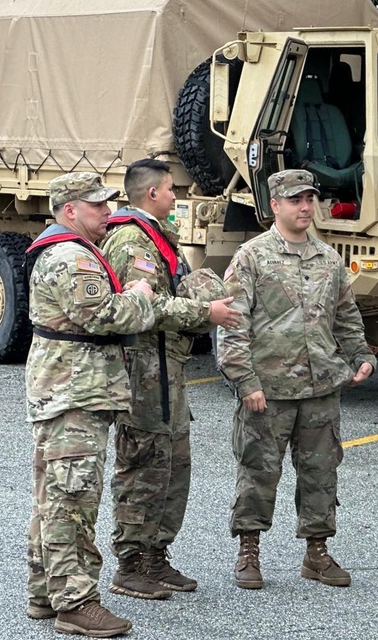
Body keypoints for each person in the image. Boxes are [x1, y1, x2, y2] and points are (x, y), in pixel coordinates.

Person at [218, 168, 376, 590]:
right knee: (258, 472)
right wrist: (244, 380)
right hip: (267, 391)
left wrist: (360, 355)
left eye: (309, 199)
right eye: (295, 200)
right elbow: (232, 324)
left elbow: (345, 316)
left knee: (321, 473)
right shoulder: (251, 256)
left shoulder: (328, 258)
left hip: (321, 387)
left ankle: (317, 553)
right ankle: (249, 549)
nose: (305, 207)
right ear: (274, 206)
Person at [101, 158, 242, 599]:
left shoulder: (157, 236)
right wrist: (206, 312)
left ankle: (155, 556)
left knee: (173, 466)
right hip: (144, 370)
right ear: (151, 194)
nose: (176, 198)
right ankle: (130, 564)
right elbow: (145, 307)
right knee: (143, 465)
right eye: (170, 190)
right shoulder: (131, 240)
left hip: (167, 369)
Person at [25, 171, 156, 638]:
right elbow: (105, 315)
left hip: (66, 390)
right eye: (97, 206)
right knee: (72, 499)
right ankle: (76, 602)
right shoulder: (70, 257)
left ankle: (46, 591)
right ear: (69, 211)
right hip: (73, 393)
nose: (108, 212)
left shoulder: (70, 250)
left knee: (54, 496)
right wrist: (139, 297)